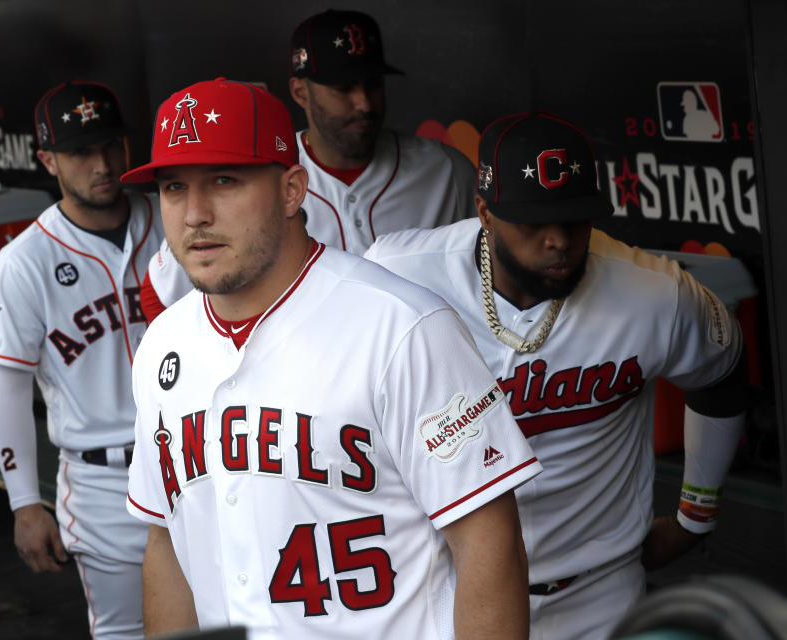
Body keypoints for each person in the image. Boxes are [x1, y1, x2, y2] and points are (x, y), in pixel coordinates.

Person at [122, 78, 543, 640]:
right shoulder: (162, 346)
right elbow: (166, 544)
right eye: (174, 187)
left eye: (224, 181)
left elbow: (489, 544)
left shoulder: (402, 327)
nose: (195, 213)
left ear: (293, 189)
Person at [364, 112, 748, 640]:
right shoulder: (399, 275)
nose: (559, 240)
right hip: (444, 590)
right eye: (534, 220)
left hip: (594, 594)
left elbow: (723, 370)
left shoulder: (654, 294)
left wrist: (694, 516)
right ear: (485, 213)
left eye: (574, 218)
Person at [136, 8, 477, 323]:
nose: (363, 103)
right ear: (300, 92)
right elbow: (158, 294)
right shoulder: (262, 173)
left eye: (372, 84)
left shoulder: (447, 171)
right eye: (343, 88)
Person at [0, 81, 164, 639]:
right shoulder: (23, 263)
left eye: (111, 144)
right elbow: (7, 385)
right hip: (102, 482)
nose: (103, 163)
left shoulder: (175, 220)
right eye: (81, 151)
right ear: (48, 160)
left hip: (199, 461)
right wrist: (23, 502)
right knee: (124, 632)